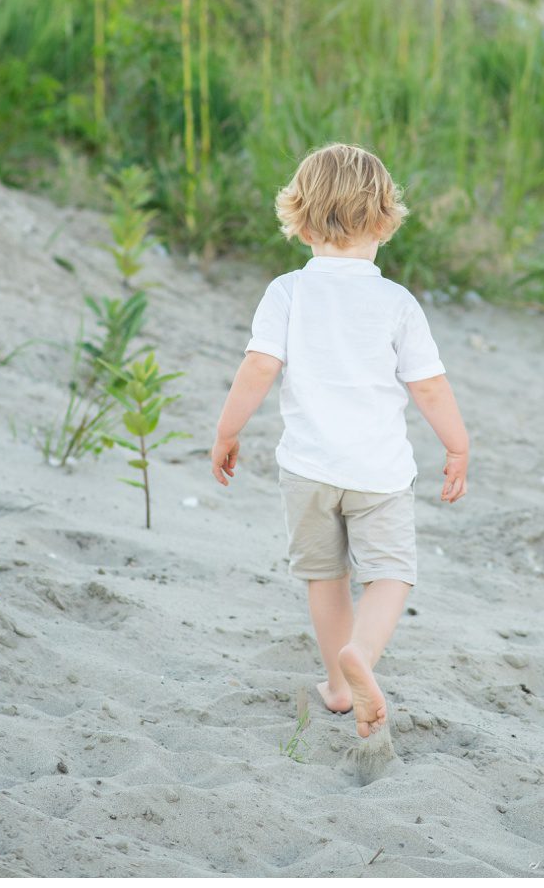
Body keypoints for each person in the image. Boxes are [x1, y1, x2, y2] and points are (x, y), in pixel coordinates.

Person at [210, 142, 470, 739]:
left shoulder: (287, 292)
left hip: (306, 470)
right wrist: (456, 446)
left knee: (324, 577)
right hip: (378, 472)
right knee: (389, 574)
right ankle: (362, 655)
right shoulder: (396, 303)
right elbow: (428, 387)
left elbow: (257, 367)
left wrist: (228, 431)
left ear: (299, 220)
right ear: (384, 220)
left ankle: (335, 683)